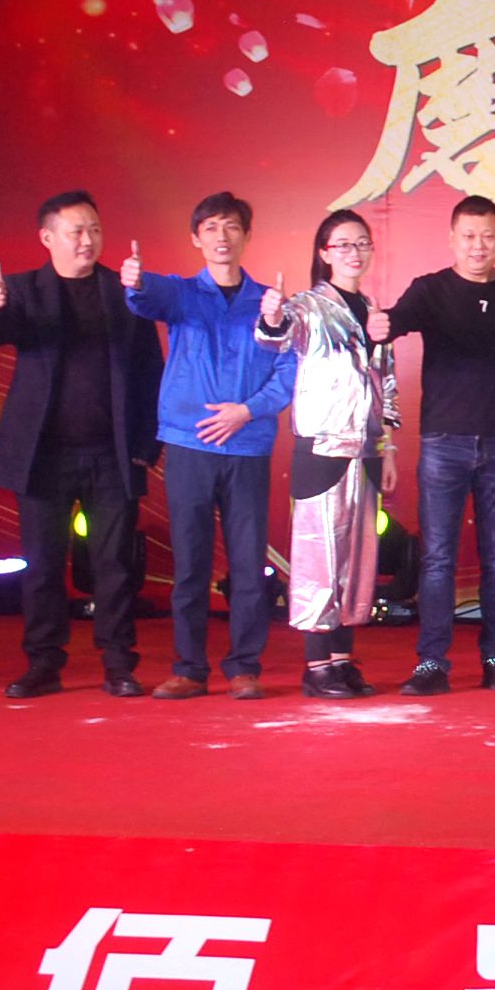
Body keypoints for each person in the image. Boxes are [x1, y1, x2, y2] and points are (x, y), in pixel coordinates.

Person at [0, 190, 165, 701]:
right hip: (43, 455)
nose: (87, 240)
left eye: (94, 230)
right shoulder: (22, 290)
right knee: (42, 565)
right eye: (75, 231)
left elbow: (151, 371)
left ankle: (118, 664)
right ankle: (44, 663)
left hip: (112, 453)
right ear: (47, 237)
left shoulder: (123, 292)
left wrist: (146, 446)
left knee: (114, 565)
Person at [126, 192, 295, 700]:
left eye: (232, 227)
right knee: (191, 564)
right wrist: (134, 280)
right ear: (196, 238)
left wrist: (247, 410)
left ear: (247, 236)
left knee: (248, 566)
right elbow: (147, 297)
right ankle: (189, 668)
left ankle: (244, 668)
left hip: (247, 445)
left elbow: (289, 371)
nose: (222, 237)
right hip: (190, 443)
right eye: (211, 228)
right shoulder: (182, 294)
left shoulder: (270, 303)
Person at [380, 195, 495, 695]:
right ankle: (432, 662)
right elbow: (395, 320)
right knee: (438, 560)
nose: (478, 246)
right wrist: (380, 324)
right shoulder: (430, 290)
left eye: (488, 236)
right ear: (451, 239)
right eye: (468, 236)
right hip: (442, 443)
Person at [256, 209, 398, 700]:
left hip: (367, 448)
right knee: (320, 556)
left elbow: (387, 383)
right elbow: (276, 336)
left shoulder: (374, 311)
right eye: (343, 244)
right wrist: (272, 318)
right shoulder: (307, 307)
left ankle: (341, 661)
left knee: (357, 560)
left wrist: (389, 446)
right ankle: (316, 665)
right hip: (322, 446)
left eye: (362, 243)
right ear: (324, 253)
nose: (354, 253)